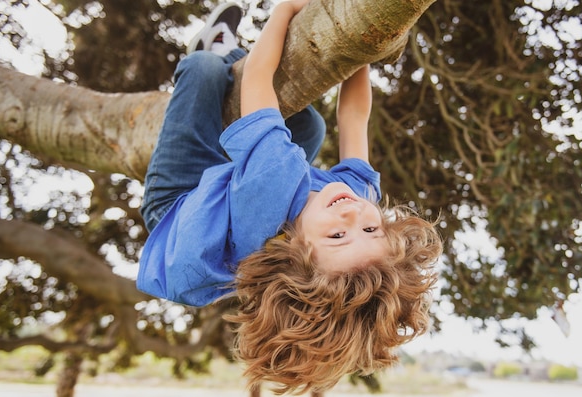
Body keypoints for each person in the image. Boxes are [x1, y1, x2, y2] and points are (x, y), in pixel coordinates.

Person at [138, 0, 443, 394]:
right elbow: (353, 120)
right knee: (309, 125)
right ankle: (243, 130)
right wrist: (363, 49)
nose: (353, 217)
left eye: (337, 237)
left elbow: (258, 80)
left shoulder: (272, 185)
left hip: (178, 203)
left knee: (205, 73)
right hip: (234, 200)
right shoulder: (358, 199)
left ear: (293, 252)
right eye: (371, 228)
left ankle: (217, 44)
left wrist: (283, 11)